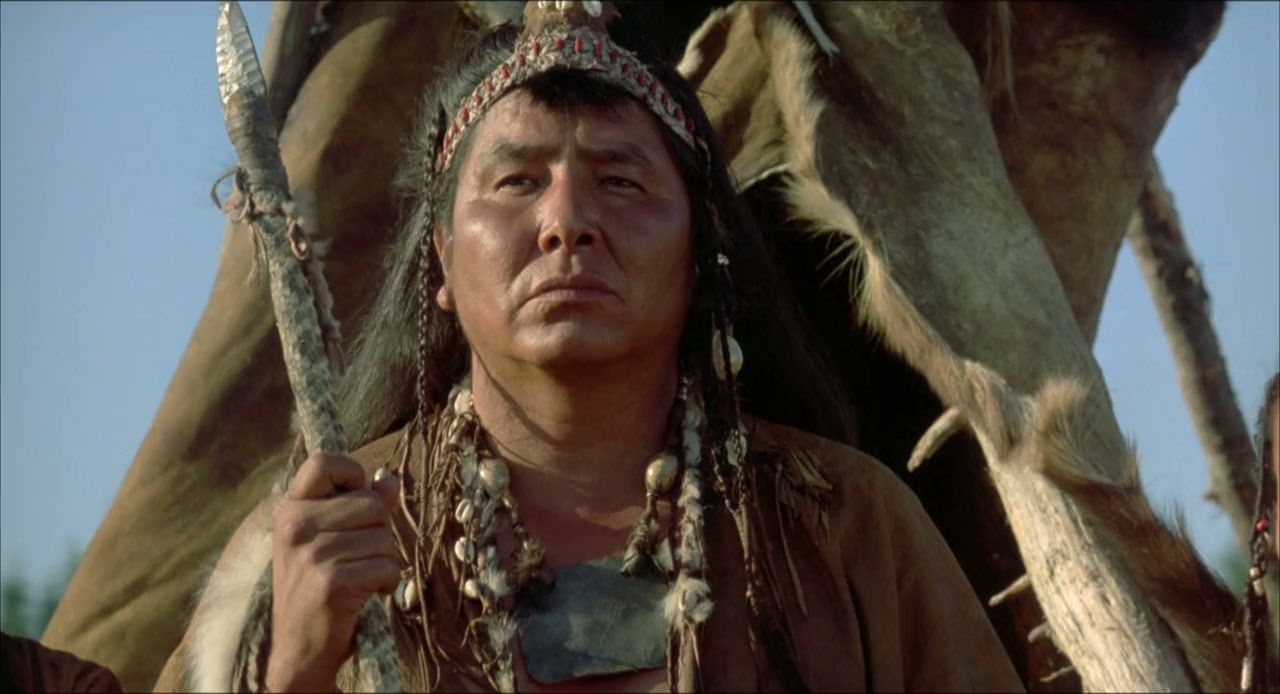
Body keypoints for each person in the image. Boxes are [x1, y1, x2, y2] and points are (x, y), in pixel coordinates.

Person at [156, 2, 1023, 691]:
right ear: (442, 260)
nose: (567, 222)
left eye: (620, 181)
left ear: (702, 252)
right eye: (517, 182)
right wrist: (293, 668)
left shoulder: (847, 528)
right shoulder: (320, 544)